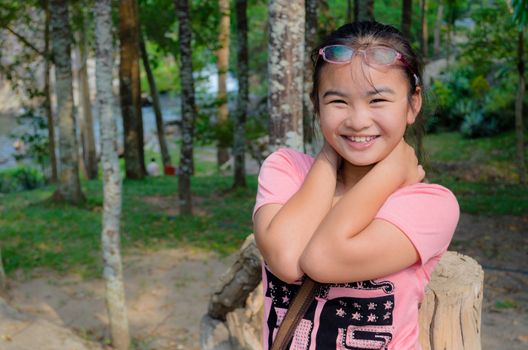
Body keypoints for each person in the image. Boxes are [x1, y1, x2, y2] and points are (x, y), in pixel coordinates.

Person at [252, 21, 460, 349]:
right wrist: (334, 157)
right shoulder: (287, 170)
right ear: (316, 105)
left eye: (377, 101)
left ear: (413, 104)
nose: (358, 120)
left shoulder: (429, 204)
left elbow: (321, 259)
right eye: (337, 101)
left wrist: (390, 174)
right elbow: (288, 260)